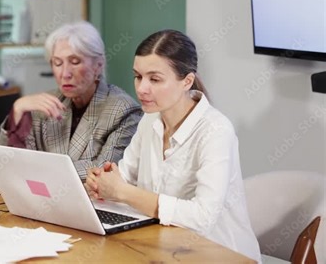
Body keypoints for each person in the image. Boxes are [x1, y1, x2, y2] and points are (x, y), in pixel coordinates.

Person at [85, 30, 261, 262]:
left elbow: (202, 216)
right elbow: (124, 178)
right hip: (165, 248)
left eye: (154, 79)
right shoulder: (150, 120)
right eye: (138, 76)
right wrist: (102, 184)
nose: (142, 88)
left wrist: (123, 192)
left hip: (219, 254)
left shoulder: (216, 131)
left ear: (187, 81)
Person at [0, 21, 142, 183]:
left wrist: (35, 170)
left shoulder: (123, 110)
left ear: (98, 65)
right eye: (57, 63)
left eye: (75, 62)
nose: (65, 73)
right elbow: (6, 164)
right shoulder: (45, 104)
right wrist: (17, 109)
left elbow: (102, 171)